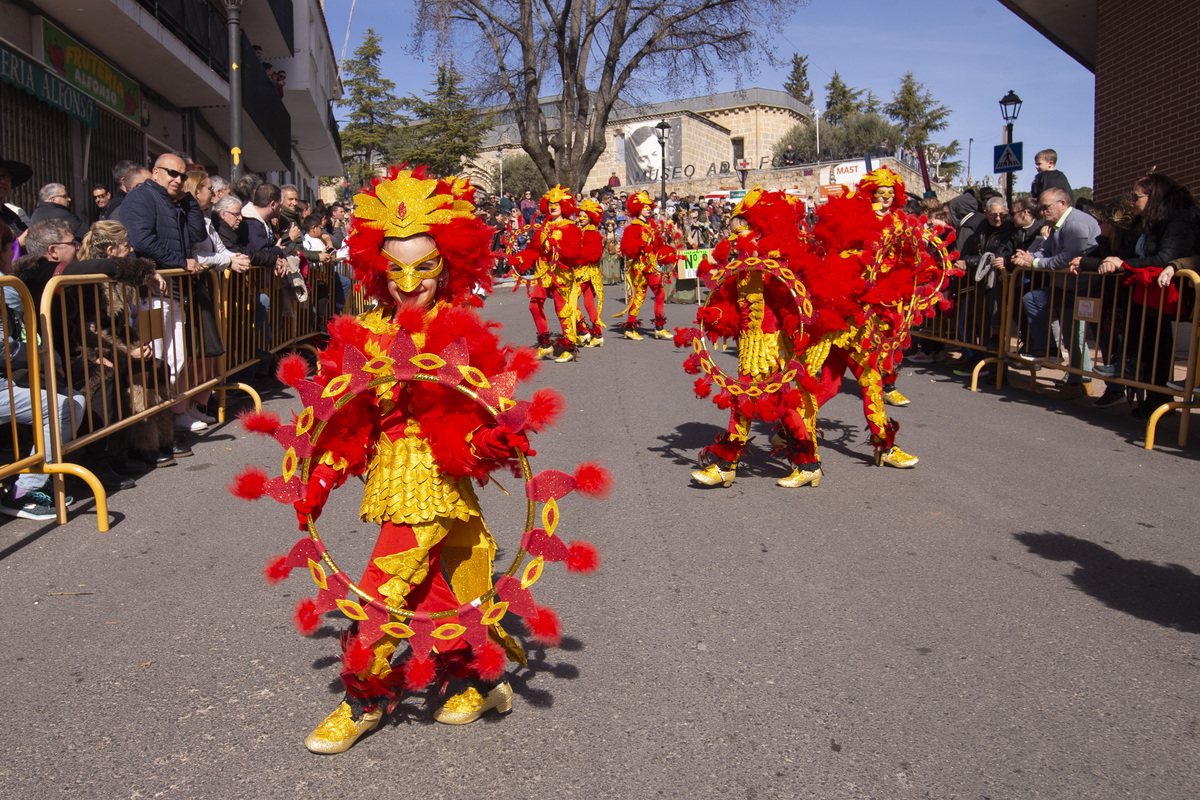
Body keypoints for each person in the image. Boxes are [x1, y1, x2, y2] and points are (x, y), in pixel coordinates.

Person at [234, 165, 603, 753]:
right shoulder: (366, 330)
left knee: (381, 592)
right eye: (396, 267)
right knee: (442, 591)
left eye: (424, 266)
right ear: (379, 268)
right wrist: (320, 481)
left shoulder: (461, 335)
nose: (410, 281)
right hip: (392, 482)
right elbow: (344, 426)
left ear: (446, 264)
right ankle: (477, 679)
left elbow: (472, 431)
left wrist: (493, 441)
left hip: (434, 487)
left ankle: (364, 696)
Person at [682, 188, 815, 487]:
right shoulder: (743, 260)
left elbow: (787, 301)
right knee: (781, 404)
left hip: (767, 344)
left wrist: (796, 332)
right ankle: (808, 465)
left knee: (742, 401)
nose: (737, 239)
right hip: (749, 341)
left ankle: (726, 464)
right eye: (733, 234)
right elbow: (732, 301)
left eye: (742, 231)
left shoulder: (774, 256)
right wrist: (715, 316)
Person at [1090, 173, 1198, 415]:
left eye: (1135, 197)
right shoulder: (1151, 221)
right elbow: (1128, 253)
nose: (1131, 202)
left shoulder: (1178, 220)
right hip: (1148, 290)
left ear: (1153, 197)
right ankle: (1152, 395)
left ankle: (1159, 397)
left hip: (1168, 290)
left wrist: (1122, 264)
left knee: (1158, 343)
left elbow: (1162, 259)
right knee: (1150, 342)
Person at [0, 219, 84, 519]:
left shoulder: (8, 284)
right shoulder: (4, 283)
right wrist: (40, 357)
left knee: (72, 402)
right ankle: (23, 492)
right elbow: (2, 347)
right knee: (64, 407)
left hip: (7, 378)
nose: (13, 256)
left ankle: (29, 483)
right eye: (8, 249)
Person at [121, 153, 211, 432]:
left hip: (174, 291)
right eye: (172, 174)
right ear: (155, 172)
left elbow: (197, 234)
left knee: (176, 358)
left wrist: (188, 200)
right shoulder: (142, 198)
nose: (178, 180)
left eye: (183, 176)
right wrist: (179, 262)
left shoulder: (177, 201)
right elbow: (142, 240)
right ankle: (153, 425)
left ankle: (169, 417)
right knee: (156, 359)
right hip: (152, 292)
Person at [1011, 187, 1101, 383]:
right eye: (1041, 208)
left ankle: (1084, 378)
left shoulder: (1076, 224)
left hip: (1086, 288)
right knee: (1035, 302)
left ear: (1062, 203)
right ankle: (1051, 351)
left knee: (1080, 334)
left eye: (1045, 207)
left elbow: (1068, 258)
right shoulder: (1058, 224)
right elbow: (1047, 250)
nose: (1042, 212)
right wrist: (1030, 256)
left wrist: (1033, 263)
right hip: (1067, 286)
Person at [512, 186, 582, 362]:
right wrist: (521, 259)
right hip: (544, 273)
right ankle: (545, 344)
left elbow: (574, 254)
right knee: (534, 305)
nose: (553, 206)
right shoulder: (544, 227)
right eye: (550, 204)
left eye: (557, 204)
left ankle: (570, 347)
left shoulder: (571, 228)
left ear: (564, 206)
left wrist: (557, 247)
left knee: (562, 309)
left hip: (561, 274)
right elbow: (534, 249)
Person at [615, 190, 675, 340]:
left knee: (659, 294)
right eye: (645, 206)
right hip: (642, 267)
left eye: (649, 206)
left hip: (652, 266)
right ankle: (635, 328)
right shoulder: (633, 227)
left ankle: (656, 327)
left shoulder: (652, 225)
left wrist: (666, 253)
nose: (648, 208)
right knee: (641, 296)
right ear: (638, 208)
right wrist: (642, 246)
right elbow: (628, 248)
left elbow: (658, 246)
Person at [573, 198, 606, 347]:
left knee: (571, 300)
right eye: (580, 216)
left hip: (584, 273)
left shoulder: (590, 233)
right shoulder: (583, 232)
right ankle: (597, 334)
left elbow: (591, 254)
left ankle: (583, 330)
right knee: (588, 303)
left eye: (584, 216)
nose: (581, 218)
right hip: (588, 273)